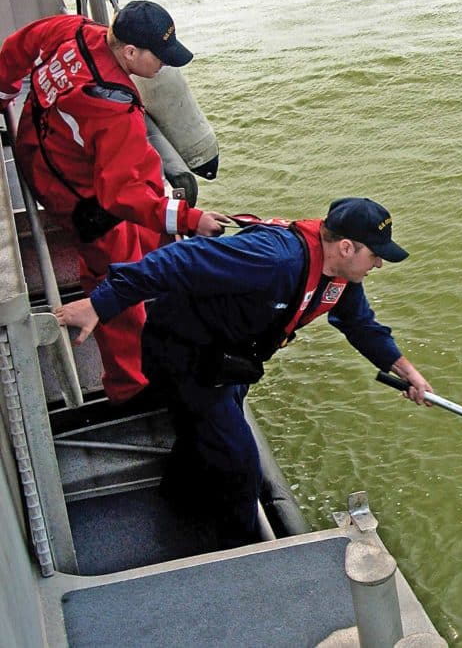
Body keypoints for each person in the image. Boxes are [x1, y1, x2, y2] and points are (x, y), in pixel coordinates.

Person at [57, 197, 432, 547]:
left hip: (230, 363)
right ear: (346, 247)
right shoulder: (273, 258)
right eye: (375, 255)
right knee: (240, 467)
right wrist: (100, 304)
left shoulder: (341, 278)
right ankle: (240, 553)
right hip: (186, 358)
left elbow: (361, 325)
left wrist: (406, 371)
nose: (378, 264)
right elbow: (177, 260)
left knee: (202, 433)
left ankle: (179, 498)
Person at [0, 0, 230, 403]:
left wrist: (4, 91)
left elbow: (18, 48)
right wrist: (191, 219)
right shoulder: (113, 107)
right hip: (79, 198)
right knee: (119, 281)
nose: (164, 66)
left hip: (39, 151)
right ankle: (129, 385)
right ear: (129, 53)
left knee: (149, 221)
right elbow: (121, 195)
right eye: (158, 58)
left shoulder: (71, 30)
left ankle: (160, 282)